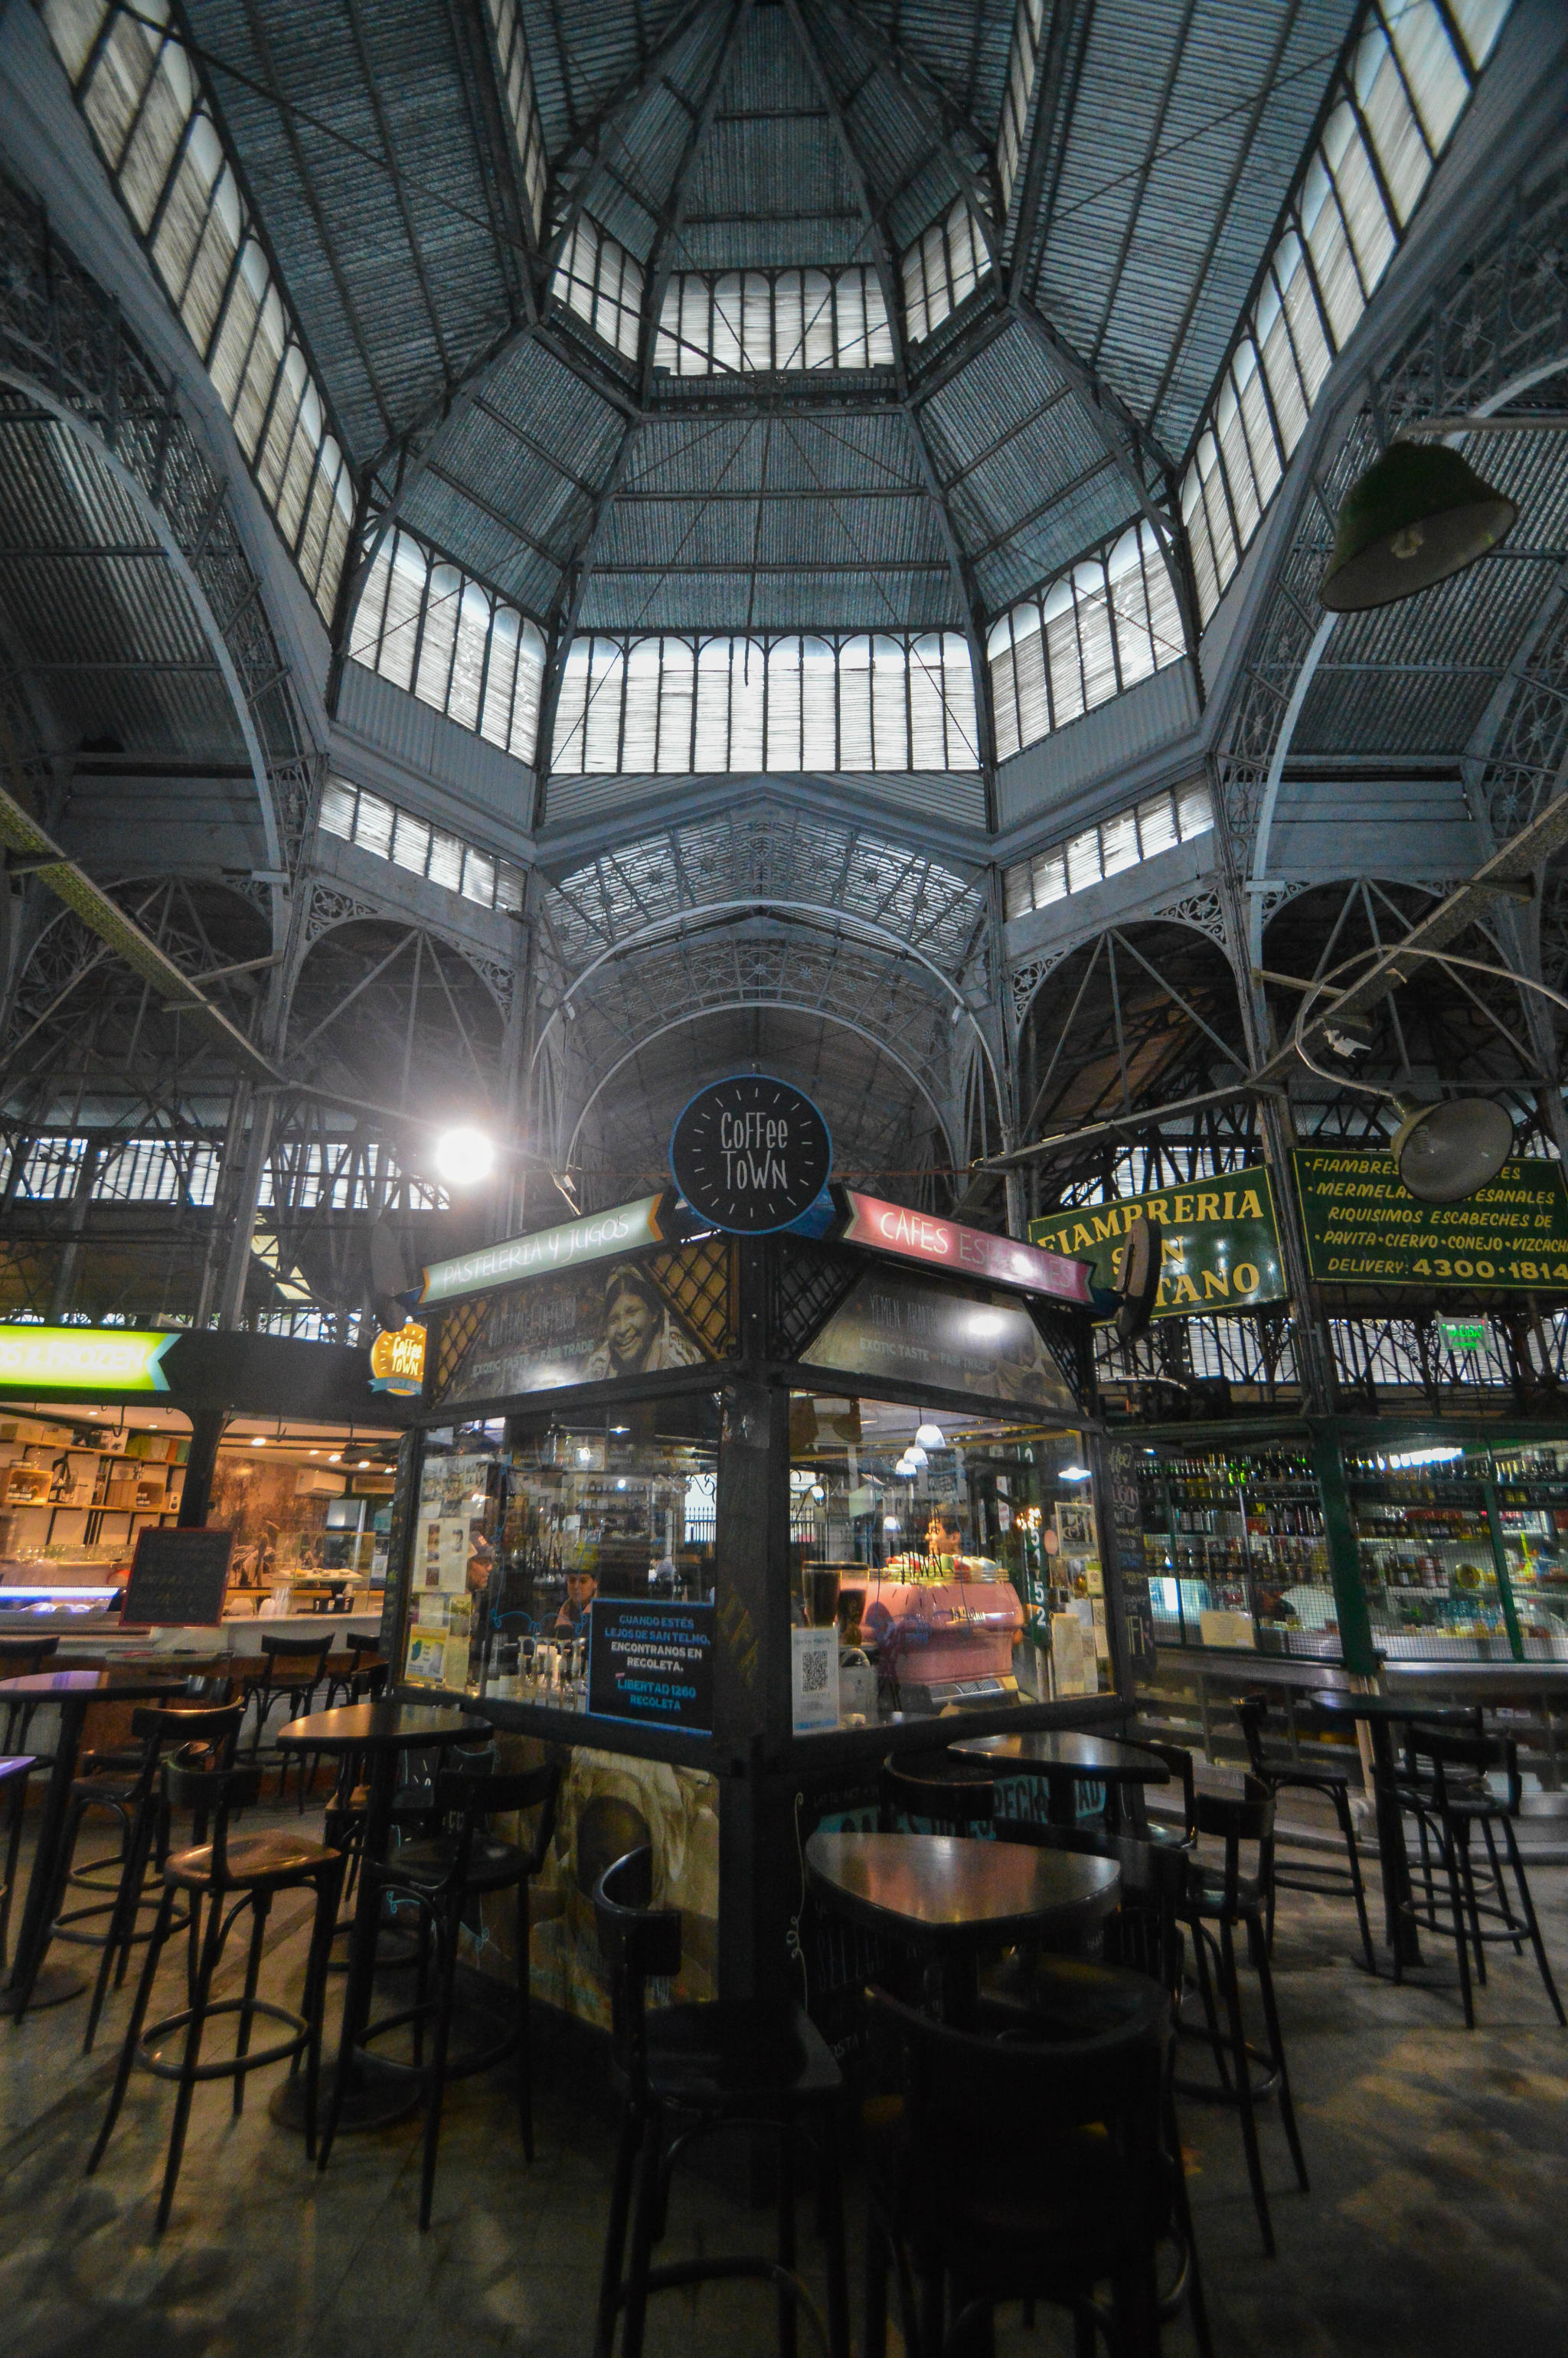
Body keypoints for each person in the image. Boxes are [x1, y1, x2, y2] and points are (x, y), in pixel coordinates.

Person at [585, 1265, 704, 1380]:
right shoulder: (598, 1365)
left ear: (654, 1313)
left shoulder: (680, 1357)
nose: (622, 1329)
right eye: (614, 1320)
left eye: (632, 1312)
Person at [553, 1567, 598, 1638]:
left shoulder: (602, 1612)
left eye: (583, 1581)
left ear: (595, 1583)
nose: (576, 1586)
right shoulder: (555, 1613)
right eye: (572, 1580)